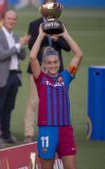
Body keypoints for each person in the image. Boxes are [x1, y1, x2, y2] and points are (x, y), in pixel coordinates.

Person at [30, 24, 83, 169]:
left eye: (55, 62)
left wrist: (65, 34)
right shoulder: (40, 78)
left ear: (59, 63)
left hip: (66, 129)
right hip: (47, 130)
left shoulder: (66, 76)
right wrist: (41, 34)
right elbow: (32, 57)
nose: (52, 65)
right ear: (44, 65)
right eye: (49, 63)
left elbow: (79, 55)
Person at [24, 0, 71, 143]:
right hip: (38, 68)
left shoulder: (60, 25)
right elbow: (31, 47)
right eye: (49, 7)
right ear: (43, 9)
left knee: (58, 101)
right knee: (34, 101)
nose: (51, 10)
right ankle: (28, 134)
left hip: (56, 70)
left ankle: (58, 129)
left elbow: (68, 47)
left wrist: (57, 39)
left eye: (54, 7)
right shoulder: (34, 24)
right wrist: (42, 35)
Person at [0, 10, 30, 147]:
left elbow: (23, 56)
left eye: (14, 19)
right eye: (9, 18)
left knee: (9, 107)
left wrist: (23, 44)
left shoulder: (15, 36)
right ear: (3, 19)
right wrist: (19, 45)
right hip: (2, 76)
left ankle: (6, 135)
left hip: (14, 75)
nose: (12, 21)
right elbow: (1, 55)